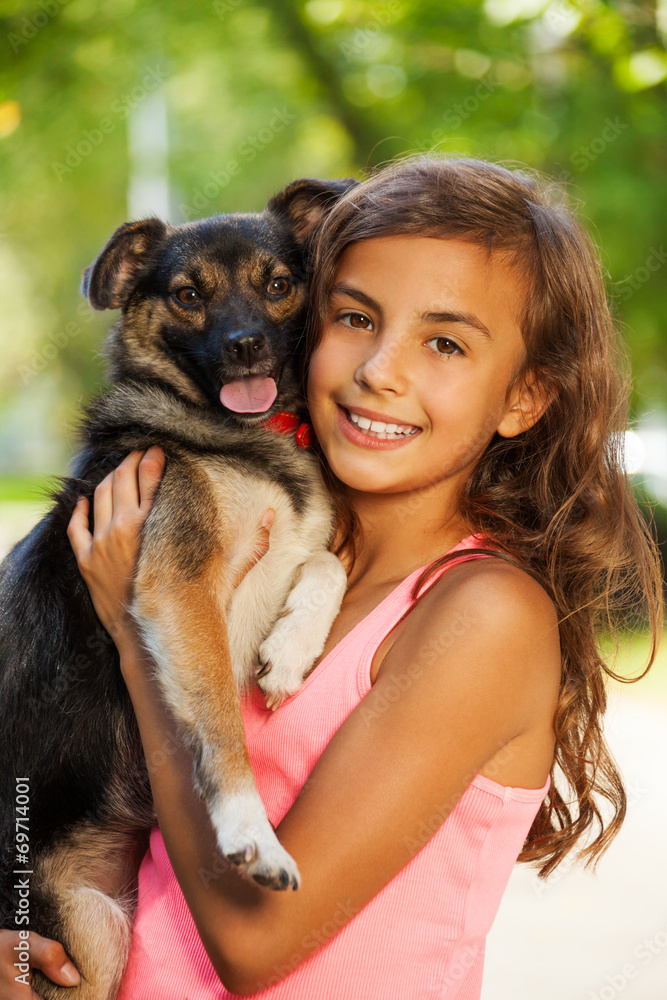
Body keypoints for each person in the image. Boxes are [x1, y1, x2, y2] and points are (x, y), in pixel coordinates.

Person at [1, 155, 662, 999]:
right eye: (354, 317)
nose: (380, 369)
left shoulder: (483, 613)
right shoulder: (289, 553)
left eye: (446, 342)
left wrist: (139, 640)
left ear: (522, 399)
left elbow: (254, 940)